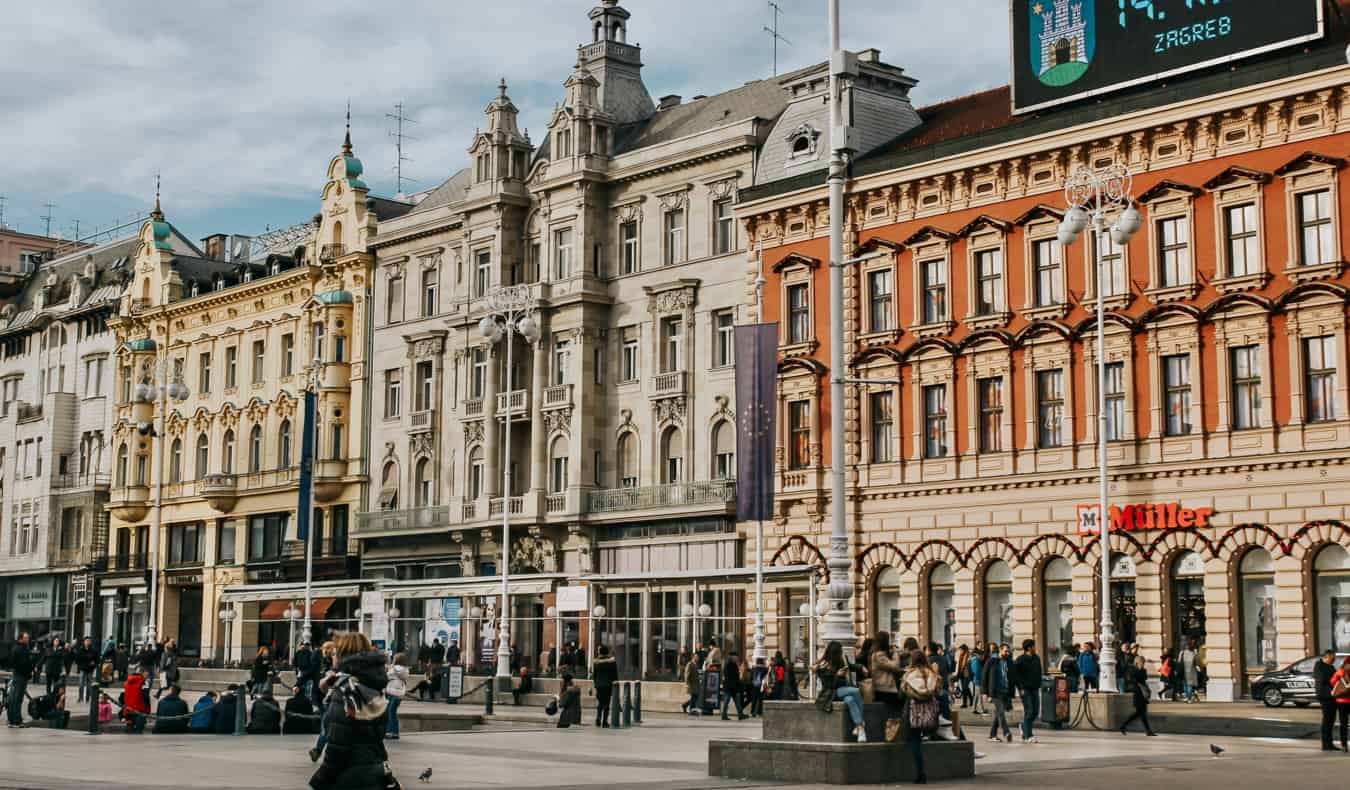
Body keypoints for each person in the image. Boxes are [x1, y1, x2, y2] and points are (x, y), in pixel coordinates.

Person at [310, 631, 400, 790]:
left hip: (348, 778)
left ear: (343, 655)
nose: (332, 657)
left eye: (335, 653)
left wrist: (321, 779)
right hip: (373, 773)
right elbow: (376, 740)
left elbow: (337, 747)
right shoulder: (373, 687)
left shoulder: (345, 692)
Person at [902, 650, 943, 785]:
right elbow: (937, 691)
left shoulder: (909, 675)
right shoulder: (931, 673)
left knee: (914, 740)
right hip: (929, 711)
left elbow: (904, 692)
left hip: (914, 711)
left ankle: (920, 773)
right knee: (926, 736)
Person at [816, 641, 866, 742]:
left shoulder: (839, 660)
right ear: (834, 653)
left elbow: (850, 666)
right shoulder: (823, 665)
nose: (841, 653)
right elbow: (829, 685)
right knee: (856, 691)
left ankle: (859, 728)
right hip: (830, 693)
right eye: (840, 651)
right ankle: (861, 725)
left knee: (850, 700)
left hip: (842, 690)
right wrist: (837, 676)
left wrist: (861, 667)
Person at [982, 643, 1014, 743]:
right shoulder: (992, 661)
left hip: (1005, 690)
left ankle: (992, 735)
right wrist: (984, 692)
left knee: (998, 714)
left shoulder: (1008, 661)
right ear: (1000, 650)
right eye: (1005, 651)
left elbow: (1012, 676)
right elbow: (984, 676)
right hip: (995, 691)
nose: (1007, 653)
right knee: (1000, 711)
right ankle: (1006, 732)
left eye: (1008, 651)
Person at [1012, 639, 1042, 743]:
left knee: (1035, 712)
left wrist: (1039, 684)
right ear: (1029, 648)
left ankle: (1023, 726)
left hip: (1035, 688)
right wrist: (1020, 688)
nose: (1035, 648)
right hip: (1025, 689)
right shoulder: (1020, 660)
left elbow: (1039, 672)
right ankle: (1028, 735)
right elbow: (1015, 675)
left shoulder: (1036, 658)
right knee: (1029, 711)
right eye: (1033, 646)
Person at [869, 631, 904, 720]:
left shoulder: (880, 654)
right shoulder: (879, 656)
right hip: (885, 689)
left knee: (892, 713)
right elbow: (895, 666)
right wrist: (896, 653)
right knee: (897, 711)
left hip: (885, 689)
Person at [1119, 654, 1156, 736]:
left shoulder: (1140, 670)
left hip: (1141, 692)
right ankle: (1124, 726)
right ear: (1138, 662)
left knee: (1140, 713)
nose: (1143, 663)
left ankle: (1124, 726)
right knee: (1140, 713)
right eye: (1142, 662)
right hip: (1138, 693)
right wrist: (1142, 671)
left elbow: (1143, 679)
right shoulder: (1134, 670)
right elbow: (1135, 680)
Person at [6, 632, 34, 728]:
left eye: (28, 637)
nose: (28, 639)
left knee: (14, 699)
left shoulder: (17, 648)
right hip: (21, 676)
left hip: (18, 675)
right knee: (17, 699)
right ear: (20, 639)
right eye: (26, 638)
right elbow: (23, 664)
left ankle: (12, 720)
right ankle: (16, 721)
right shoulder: (21, 649)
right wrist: (28, 673)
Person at [384, 652, 409, 740]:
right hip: (396, 692)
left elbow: (387, 676)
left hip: (393, 692)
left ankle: (390, 732)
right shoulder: (404, 669)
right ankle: (394, 732)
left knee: (390, 712)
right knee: (392, 712)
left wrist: (392, 669)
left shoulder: (396, 668)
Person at [592, 644, 619, 727]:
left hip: (599, 685)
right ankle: (604, 722)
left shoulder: (596, 662)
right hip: (608, 685)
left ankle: (598, 718)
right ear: (607, 652)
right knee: (606, 703)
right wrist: (616, 684)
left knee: (600, 702)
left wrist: (595, 684)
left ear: (600, 652)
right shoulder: (611, 662)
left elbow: (595, 675)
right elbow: (615, 675)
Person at [122, 665, 151, 733]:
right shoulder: (143, 682)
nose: (147, 675)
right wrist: (147, 711)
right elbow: (146, 697)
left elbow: (122, 696)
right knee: (138, 731)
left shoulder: (128, 681)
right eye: (146, 673)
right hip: (140, 710)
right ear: (142, 672)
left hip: (128, 710)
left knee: (129, 731)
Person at [1330, 655, 1350, 752]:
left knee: (1343, 724)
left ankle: (1344, 745)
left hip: (1341, 701)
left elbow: (1332, 682)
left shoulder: (1340, 671)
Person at [721, 651, 747, 720]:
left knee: (736, 702)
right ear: (732, 657)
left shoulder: (732, 664)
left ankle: (740, 714)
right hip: (730, 687)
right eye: (736, 657)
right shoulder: (729, 664)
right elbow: (730, 676)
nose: (737, 658)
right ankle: (724, 715)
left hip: (732, 687)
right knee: (727, 701)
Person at [73, 637, 98, 704]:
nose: (87, 642)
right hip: (83, 669)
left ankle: (87, 698)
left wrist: (94, 664)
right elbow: (77, 658)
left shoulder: (93, 650)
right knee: (81, 684)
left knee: (89, 685)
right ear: (84, 642)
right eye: (86, 641)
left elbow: (96, 659)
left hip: (90, 669)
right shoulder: (81, 649)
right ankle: (80, 697)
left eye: (89, 641)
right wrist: (80, 665)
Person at [968, 646, 986, 715]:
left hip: (977, 679)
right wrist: (980, 679)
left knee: (976, 695)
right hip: (978, 680)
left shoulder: (975, 660)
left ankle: (974, 708)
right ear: (979, 655)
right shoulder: (976, 661)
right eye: (983, 656)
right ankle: (981, 709)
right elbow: (976, 671)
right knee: (980, 695)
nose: (983, 657)